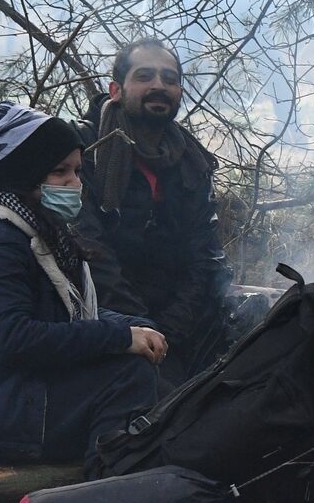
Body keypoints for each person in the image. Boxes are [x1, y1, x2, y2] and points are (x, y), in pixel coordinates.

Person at [0, 103, 162, 473]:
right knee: (126, 375)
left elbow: (63, 314)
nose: (75, 183)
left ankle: (115, 476)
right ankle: (109, 487)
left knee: (137, 356)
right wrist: (117, 337)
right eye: (60, 172)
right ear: (23, 175)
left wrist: (134, 326)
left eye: (77, 171)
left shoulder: (34, 231)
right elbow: (14, 339)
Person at [75, 39, 231, 386]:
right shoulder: (85, 151)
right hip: (102, 319)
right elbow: (88, 250)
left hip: (178, 323)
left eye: (169, 79)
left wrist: (170, 331)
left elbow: (204, 257)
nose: (159, 85)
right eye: (145, 76)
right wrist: (140, 328)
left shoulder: (192, 161)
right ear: (116, 90)